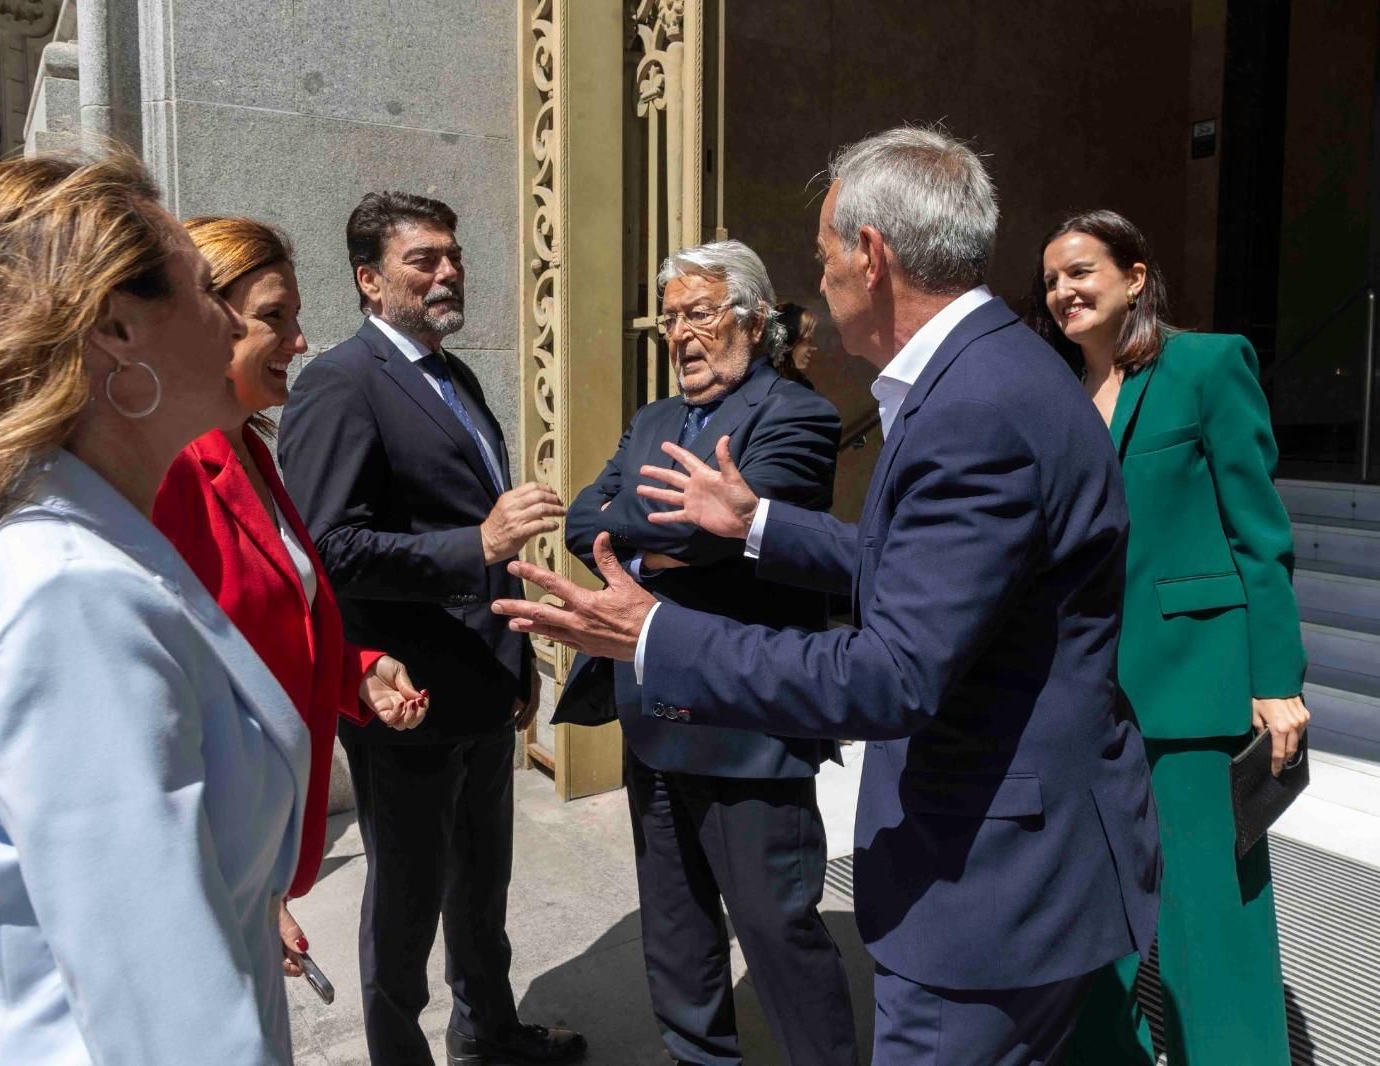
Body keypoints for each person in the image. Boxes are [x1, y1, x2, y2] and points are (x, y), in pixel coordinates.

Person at [491, 126, 1162, 1066]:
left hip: (986, 886)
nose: (825, 280)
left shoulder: (973, 407)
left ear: (871, 254)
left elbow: (894, 671)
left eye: (824, 255)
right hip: (1017, 861)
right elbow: (931, 573)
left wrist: (656, 632)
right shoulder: (993, 371)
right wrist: (759, 522)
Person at [0, 153, 416, 1063]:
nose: (231, 321)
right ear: (116, 328)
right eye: (202, 291)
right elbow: (173, 1028)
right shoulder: (67, 592)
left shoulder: (74, 546)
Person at [277, 191, 583, 1066]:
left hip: (482, 690)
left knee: (482, 891)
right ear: (371, 281)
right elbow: (327, 547)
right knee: (406, 905)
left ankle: (489, 1034)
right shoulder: (342, 381)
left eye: (452, 255)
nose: (448, 271)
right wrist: (477, 541)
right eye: (424, 260)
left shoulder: (456, 377)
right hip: (402, 698)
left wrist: (517, 660)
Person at [559, 239, 854, 1066]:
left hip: (745, 720)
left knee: (777, 932)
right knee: (676, 925)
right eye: (670, 319)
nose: (681, 335)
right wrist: (662, 540)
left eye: (700, 313)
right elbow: (585, 521)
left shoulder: (797, 414)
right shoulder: (654, 419)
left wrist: (649, 535)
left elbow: (724, 538)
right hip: (651, 710)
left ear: (753, 323)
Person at [1029, 209, 1309, 1066]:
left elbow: (1259, 535)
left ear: (1136, 275)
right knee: (1094, 905)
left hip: (1193, 687)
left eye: (1081, 271)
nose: (1063, 292)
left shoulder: (1205, 365)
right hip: (1086, 695)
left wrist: (1277, 679)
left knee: (1208, 912)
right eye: (1051, 281)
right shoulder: (1057, 394)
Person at [151, 215, 429, 978]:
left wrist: (355, 671)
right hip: (206, 876)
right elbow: (172, 695)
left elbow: (266, 626)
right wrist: (229, 884)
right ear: (200, 319)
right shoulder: (168, 469)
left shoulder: (247, 446)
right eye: (276, 317)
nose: (300, 342)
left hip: (256, 862)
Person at [772, 302, 820, 388]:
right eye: (808, 340)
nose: (814, 348)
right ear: (788, 340)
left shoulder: (803, 386)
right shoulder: (766, 387)